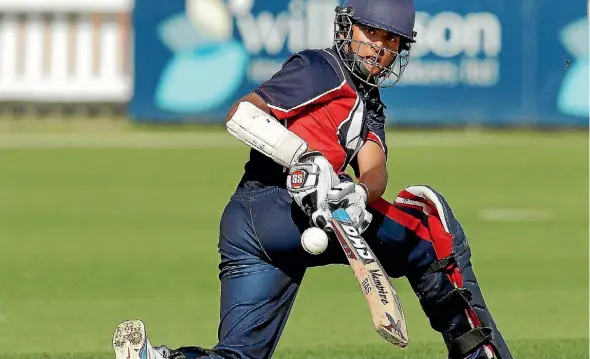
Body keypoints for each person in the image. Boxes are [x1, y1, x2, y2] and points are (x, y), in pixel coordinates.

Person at [112, 0, 513, 358]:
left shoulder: (369, 102)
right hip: (278, 207)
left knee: (239, 356)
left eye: (392, 41)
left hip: (255, 227)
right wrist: (304, 159)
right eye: (371, 33)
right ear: (346, 27)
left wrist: (359, 192)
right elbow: (243, 115)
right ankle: (480, 353)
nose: (379, 48)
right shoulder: (320, 68)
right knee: (427, 223)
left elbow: (375, 168)